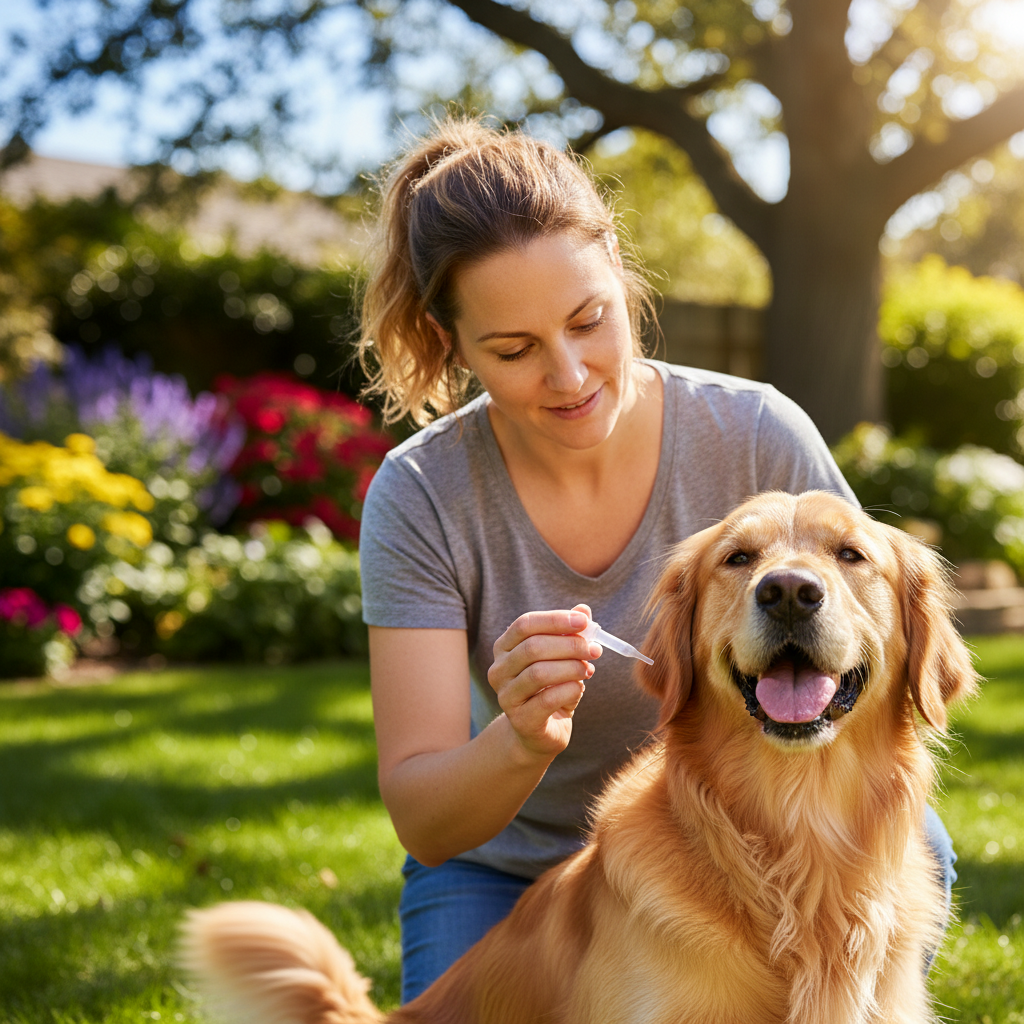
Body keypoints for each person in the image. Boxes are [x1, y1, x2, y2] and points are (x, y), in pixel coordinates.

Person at [355, 115, 956, 1004]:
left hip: (756, 839)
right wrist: (520, 739)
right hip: (504, 873)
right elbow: (426, 820)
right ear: (454, 347)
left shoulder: (756, 431)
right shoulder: (421, 494)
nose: (569, 375)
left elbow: (867, 622)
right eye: (514, 350)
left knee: (921, 848)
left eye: (589, 320)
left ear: (626, 290)